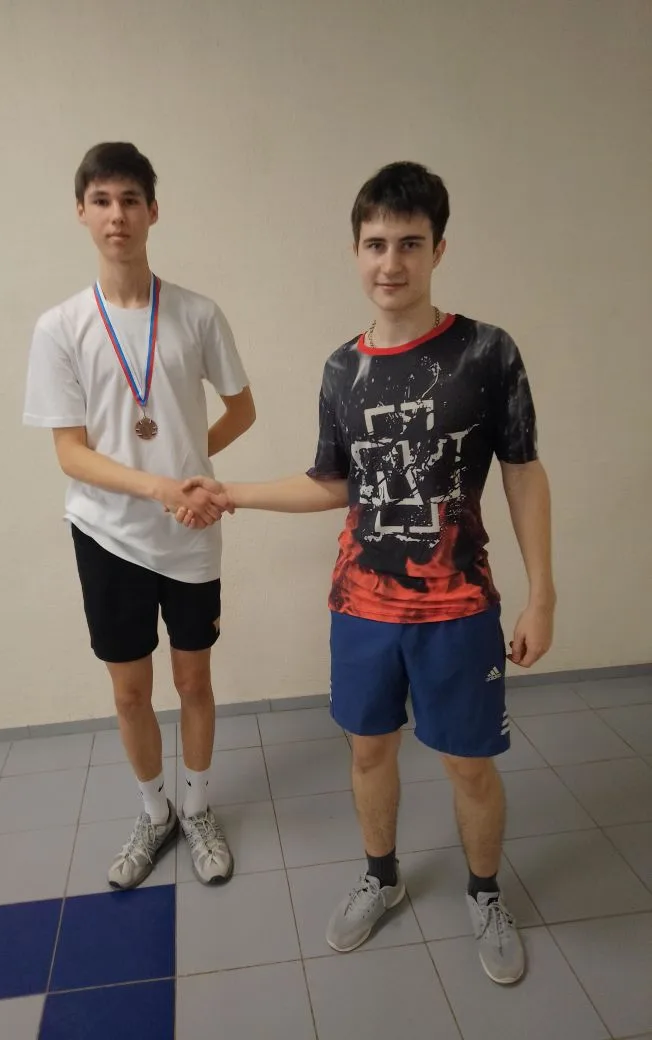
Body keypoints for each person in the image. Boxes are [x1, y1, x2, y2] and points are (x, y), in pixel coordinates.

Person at [175, 162, 554, 983]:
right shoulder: (342, 370)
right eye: (376, 244)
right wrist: (231, 492)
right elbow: (333, 482)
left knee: (468, 764)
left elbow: (524, 472)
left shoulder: (487, 352)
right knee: (368, 754)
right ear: (355, 251)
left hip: (460, 607)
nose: (392, 262)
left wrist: (543, 594)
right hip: (362, 607)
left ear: (438, 250)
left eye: (410, 244)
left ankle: (485, 892)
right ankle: (381, 878)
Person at [23, 141, 255, 889]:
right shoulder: (60, 327)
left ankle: (197, 808)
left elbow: (242, 409)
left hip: (191, 534)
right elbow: (71, 452)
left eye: (130, 200)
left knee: (193, 683)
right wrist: (159, 487)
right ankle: (155, 814)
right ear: (81, 213)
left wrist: (191, 477)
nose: (116, 215)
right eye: (101, 201)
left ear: (154, 210)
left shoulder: (197, 313)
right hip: (107, 534)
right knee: (129, 692)